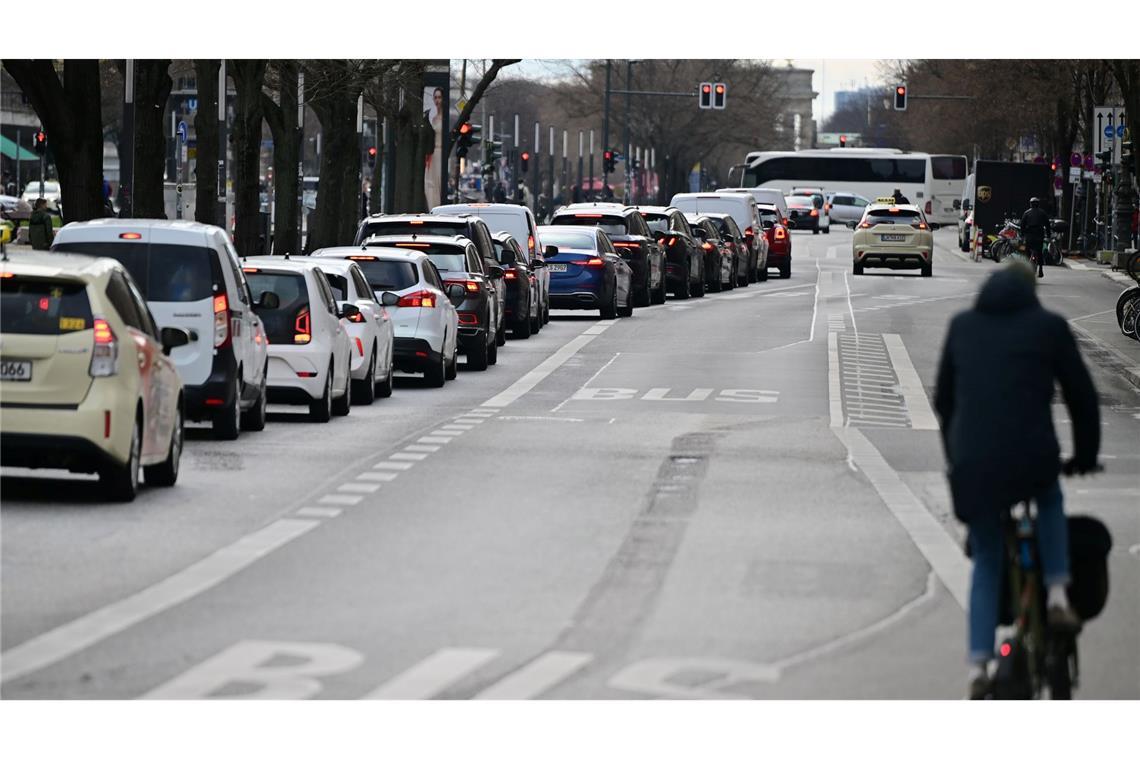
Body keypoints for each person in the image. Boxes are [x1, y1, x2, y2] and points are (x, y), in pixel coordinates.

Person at [933, 262, 1100, 699]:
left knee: (988, 556)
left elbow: (944, 401)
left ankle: (977, 665)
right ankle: (1058, 595)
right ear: (1031, 292)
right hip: (1032, 458)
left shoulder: (962, 326)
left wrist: (957, 460)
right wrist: (1085, 456)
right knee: (1049, 498)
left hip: (974, 466)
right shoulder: (1049, 327)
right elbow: (1081, 395)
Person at [1020, 197, 1050, 278]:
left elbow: (1022, 225)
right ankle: (1040, 270)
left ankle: (1027, 267)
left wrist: (1022, 235)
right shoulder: (1042, 213)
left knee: (1027, 251)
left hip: (1029, 236)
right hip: (1039, 236)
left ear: (1030, 204)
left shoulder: (1026, 213)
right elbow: (1047, 225)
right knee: (1039, 252)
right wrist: (1048, 235)